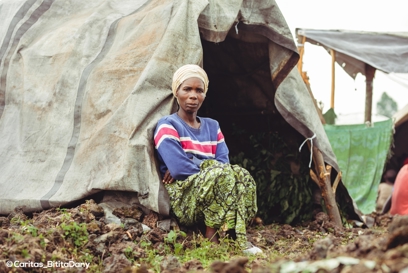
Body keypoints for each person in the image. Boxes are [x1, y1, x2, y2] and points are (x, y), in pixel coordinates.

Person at [154, 64, 258, 250]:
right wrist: (207, 168)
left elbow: (224, 162)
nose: (193, 95)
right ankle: (211, 236)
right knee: (221, 174)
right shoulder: (167, 125)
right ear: (176, 92)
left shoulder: (212, 126)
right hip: (184, 198)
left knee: (242, 176)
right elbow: (179, 169)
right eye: (187, 89)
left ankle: (236, 236)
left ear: (204, 94)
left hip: (212, 191)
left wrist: (191, 159)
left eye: (199, 90)